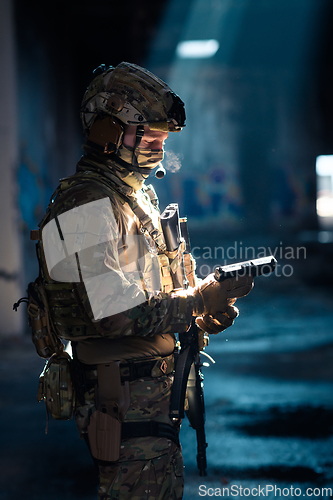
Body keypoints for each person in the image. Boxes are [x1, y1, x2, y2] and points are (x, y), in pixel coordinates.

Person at [32, 62, 253, 500]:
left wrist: (208, 309)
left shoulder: (136, 198)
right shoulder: (84, 205)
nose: (158, 149)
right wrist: (197, 301)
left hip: (153, 395)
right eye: (149, 137)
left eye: (163, 140)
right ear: (107, 132)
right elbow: (112, 315)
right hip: (122, 397)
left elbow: (166, 289)